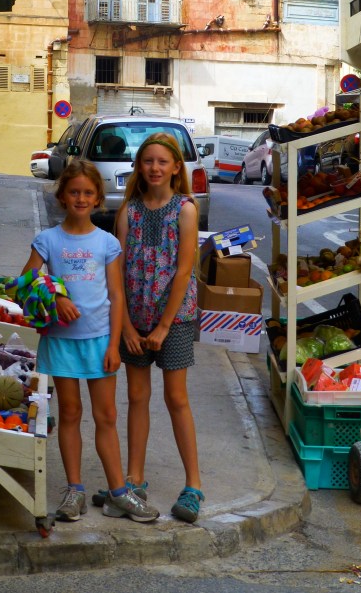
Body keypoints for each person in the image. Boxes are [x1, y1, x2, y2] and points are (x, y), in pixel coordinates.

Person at [21, 159, 159, 524]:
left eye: (87, 193)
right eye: (74, 192)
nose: (80, 198)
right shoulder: (47, 240)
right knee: (69, 412)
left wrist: (114, 345)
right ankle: (75, 491)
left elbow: (116, 296)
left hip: (99, 340)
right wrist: (57, 295)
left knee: (107, 416)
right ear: (62, 196)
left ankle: (118, 492)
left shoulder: (107, 242)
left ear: (98, 198)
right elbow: (24, 282)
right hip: (61, 341)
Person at [115, 132, 204, 523]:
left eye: (162, 162)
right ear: (139, 167)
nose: (154, 168)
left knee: (176, 398)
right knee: (136, 397)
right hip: (135, 318)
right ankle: (134, 478)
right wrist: (127, 327)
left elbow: (184, 270)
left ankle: (194, 485)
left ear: (175, 168)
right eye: (147, 161)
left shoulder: (185, 209)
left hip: (176, 318)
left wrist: (164, 326)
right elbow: (116, 270)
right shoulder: (128, 211)